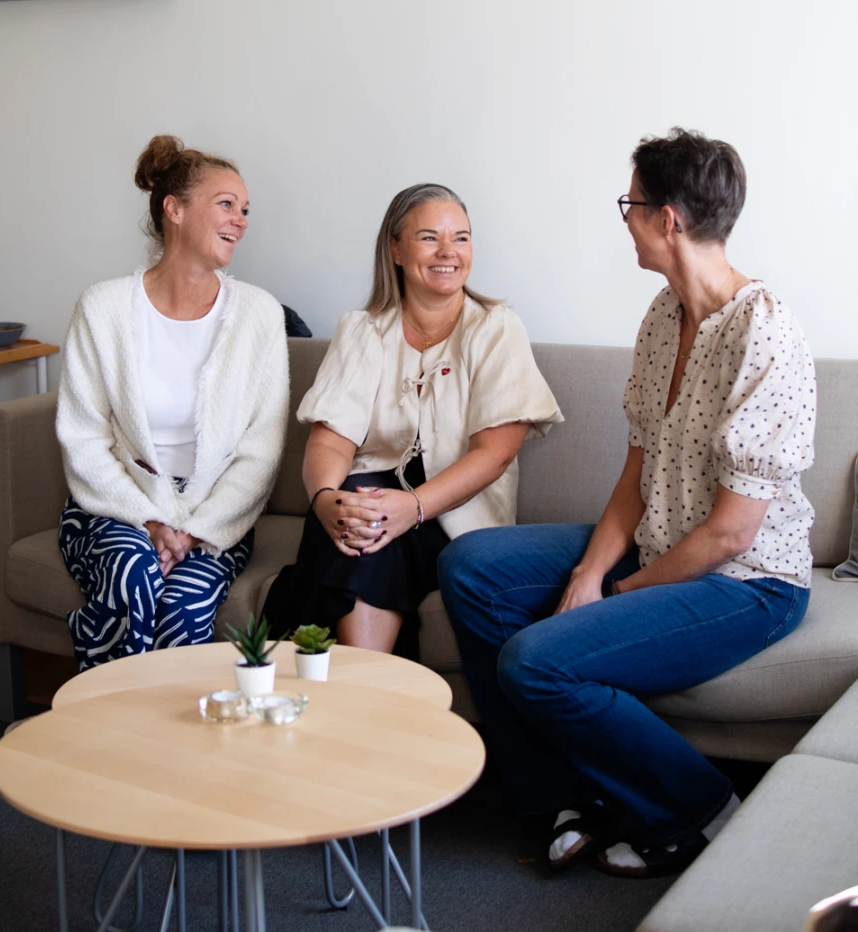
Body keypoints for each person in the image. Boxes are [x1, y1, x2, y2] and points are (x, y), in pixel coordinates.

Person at [439, 129, 816, 878]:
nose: (625, 218)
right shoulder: (662, 315)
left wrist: (618, 591)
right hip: (661, 538)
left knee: (537, 662)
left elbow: (732, 535)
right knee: (470, 563)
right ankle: (558, 800)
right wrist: (587, 574)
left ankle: (698, 809)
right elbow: (636, 471)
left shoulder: (766, 333)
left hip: (749, 583)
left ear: (667, 218)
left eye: (631, 203)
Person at [261, 183, 562, 657]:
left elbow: (495, 454)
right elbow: (332, 441)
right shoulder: (362, 329)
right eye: (429, 237)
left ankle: (353, 697)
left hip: (454, 515)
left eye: (461, 238)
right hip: (372, 500)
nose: (448, 251)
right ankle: (371, 700)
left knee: (372, 535)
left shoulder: (495, 327)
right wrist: (324, 501)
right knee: (360, 516)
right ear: (395, 249)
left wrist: (412, 508)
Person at [56, 135, 289, 669]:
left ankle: (170, 747)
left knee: (185, 605)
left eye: (246, 209)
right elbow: (83, 437)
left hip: (214, 517)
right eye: (226, 204)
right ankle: (113, 728)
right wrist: (150, 520)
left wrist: (193, 530)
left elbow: (261, 451)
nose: (241, 220)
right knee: (133, 572)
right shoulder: (104, 308)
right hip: (113, 507)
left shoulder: (258, 315)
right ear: (175, 209)